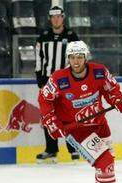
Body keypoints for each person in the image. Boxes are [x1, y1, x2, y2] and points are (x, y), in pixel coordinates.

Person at [38, 41, 122, 183]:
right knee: (105, 162)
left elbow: (111, 90)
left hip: (99, 125)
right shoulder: (59, 78)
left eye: (80, 57)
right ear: (68, 58)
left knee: (107, 164)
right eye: (72, 57)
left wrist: (118, 100)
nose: (76, 61)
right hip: (77, 130)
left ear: (86, 57)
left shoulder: (99, 71)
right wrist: (51, 120)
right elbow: (45, 99)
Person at [34, 5, 80, 164]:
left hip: (66, 82)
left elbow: (78, 58)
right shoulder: (43, 36)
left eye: (58, 16)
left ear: (63, 17)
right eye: (53, 17)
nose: (56, 19)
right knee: (48, 116)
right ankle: (51, 149)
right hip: (47, 81)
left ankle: (73, 149)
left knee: (68, 116)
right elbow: (39, 59)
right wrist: (40, 80)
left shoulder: (72, 36)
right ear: (49, 19)